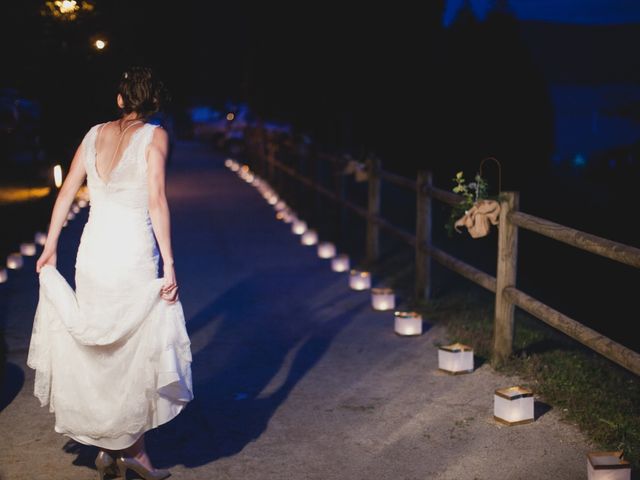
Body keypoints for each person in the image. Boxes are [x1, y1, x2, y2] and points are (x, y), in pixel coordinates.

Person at [28, 66, 193, 480]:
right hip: (131, 254)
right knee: (131, 348)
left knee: (101, 347)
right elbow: (156, 199)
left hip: (93, 254)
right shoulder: (155, 136)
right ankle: (134, 453)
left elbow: (67, 191)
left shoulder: (92, 133)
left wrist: (50, 245)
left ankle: (109, 447)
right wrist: (170, 262)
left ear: (121, 100)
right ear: (154, 103)